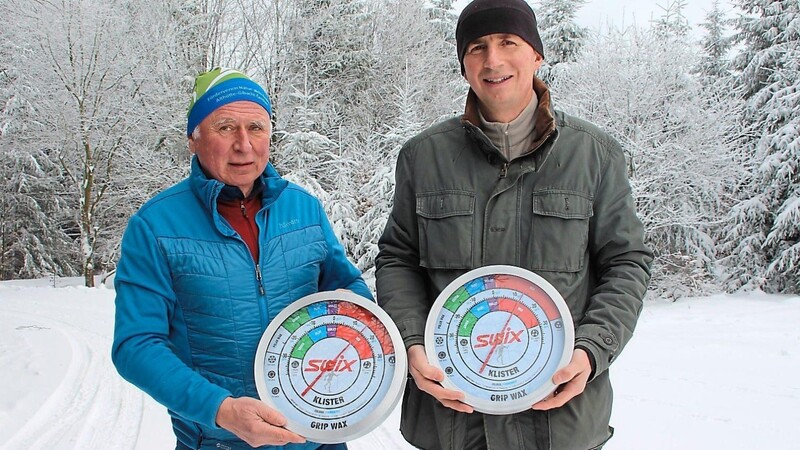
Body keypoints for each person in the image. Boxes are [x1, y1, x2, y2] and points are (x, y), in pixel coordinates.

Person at [375, 1, 653, 449]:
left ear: (536, 55)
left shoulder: (595, 155)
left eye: (509, 42)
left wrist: (592, 350)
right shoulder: (422, 157)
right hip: (450, 421)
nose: (493, 60)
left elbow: (626, 263)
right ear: (464, 64)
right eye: (477, 47)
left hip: (559, 422)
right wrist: (411, 342)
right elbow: (398, 260)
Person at [112, 68, 372, 450]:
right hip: (219, 441)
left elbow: (343, 284)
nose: (244, 145)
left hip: (319, 435)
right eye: (225, 127)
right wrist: (222, 409)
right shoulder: (155, 226)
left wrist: (366, 322)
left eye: (256, 127)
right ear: (193, 138)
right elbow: (136, 345)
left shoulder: (303, 208)